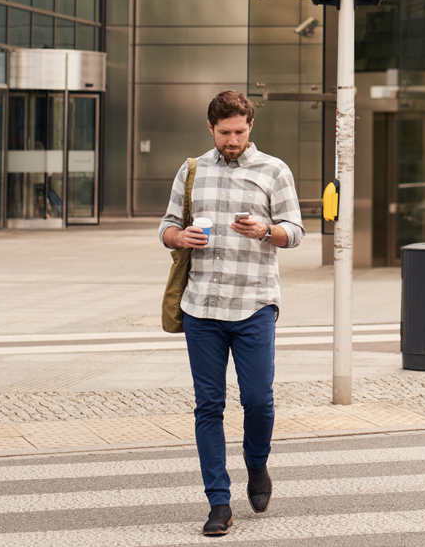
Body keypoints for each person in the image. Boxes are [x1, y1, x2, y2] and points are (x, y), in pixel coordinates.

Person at [159, 90, 305, 536]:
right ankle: (218, 503)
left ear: (250, 126)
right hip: (201, 307)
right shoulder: (192, 170)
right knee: (209, 405)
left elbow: (295, 231)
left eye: (240, 131)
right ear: (211, 129)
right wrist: (178, 238)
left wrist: (266, 230)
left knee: (258, 399)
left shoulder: (273, 170)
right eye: (225, 133)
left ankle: (257, 464)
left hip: (254, 304)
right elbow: (166, 226)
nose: (233, 140)